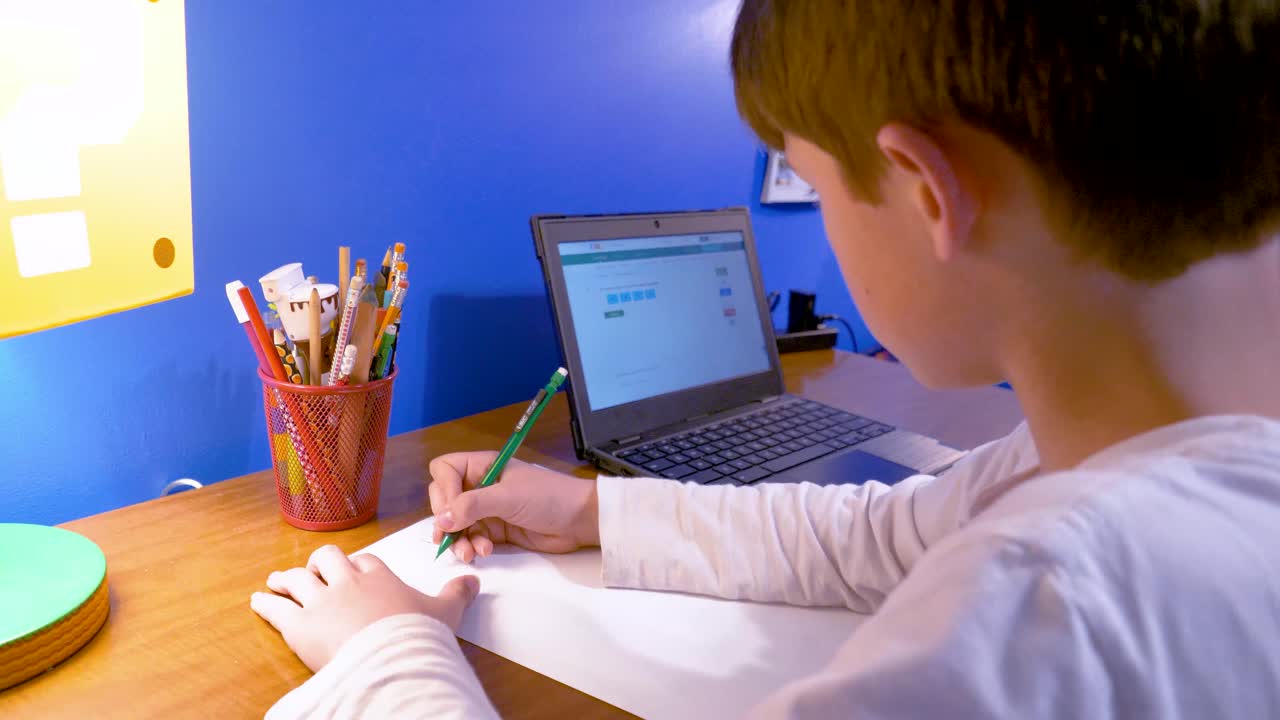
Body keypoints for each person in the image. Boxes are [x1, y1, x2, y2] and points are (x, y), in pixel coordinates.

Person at [252, 1, 1280, 717]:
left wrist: (384, 655)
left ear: (925, 190)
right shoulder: (1130, 454)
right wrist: (590, 511)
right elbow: (888, 531)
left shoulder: (1040, 607)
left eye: (820, 189)